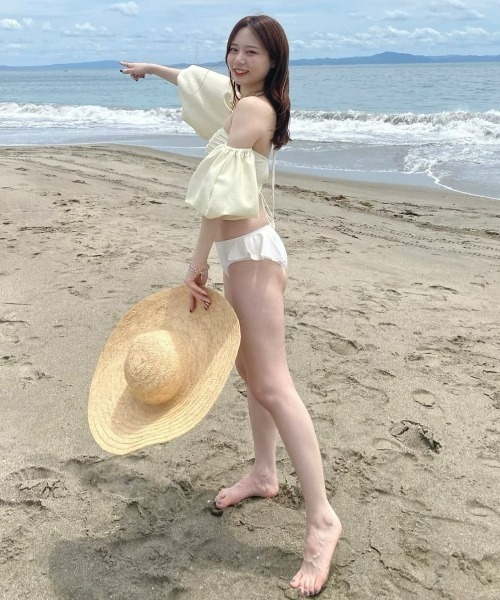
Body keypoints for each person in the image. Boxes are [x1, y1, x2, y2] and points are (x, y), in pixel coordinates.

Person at [120, 14, 342, 597]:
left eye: (252, 53)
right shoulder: (241, 98)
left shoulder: (254, 110)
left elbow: (219, 197)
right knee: (253, 376)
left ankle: (322, 519)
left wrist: (196, 264)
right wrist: (155, 69)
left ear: (274, 61)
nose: (239, 61)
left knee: (274, 385)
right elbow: (200, 84)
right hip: (244, 254)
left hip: (251, 255)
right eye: (233, 50)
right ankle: (265, 473)